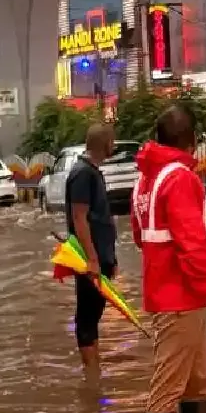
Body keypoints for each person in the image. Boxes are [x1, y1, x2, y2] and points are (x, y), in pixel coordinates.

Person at [132, 105, 206, 413]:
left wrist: (202, 218)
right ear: (191, 141)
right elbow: (192, 249)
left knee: (197, 382)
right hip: (181, 300)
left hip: (170, 296)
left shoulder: (147, 180)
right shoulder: (180, 178)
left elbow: (146, 236)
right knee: (167, 387)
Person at [68, 124, 118, 374]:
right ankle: (91, 374)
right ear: (106, 143)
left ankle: (94, 369)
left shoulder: (92, 171)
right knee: (87, 316)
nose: (115, 145)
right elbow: (80, 218)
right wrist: (93, 259)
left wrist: (111, 257)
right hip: (91, 259)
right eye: (113, 141)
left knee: (95, 314)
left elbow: (101, 218)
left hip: (101, 256)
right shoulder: (82, 173)